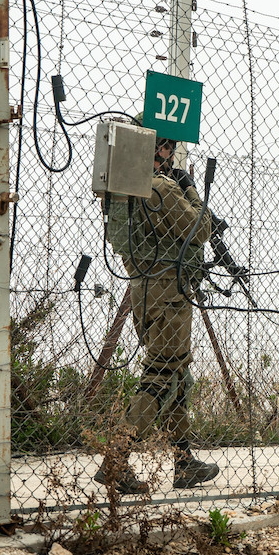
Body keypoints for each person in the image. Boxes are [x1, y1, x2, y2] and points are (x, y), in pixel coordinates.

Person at [97, 134, 220, 494]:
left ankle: (183, 462)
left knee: (176, 376)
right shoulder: (161, 188)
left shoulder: (123, 190)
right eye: (164, 147)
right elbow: (202, 229)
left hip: (147, 290)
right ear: (149, 150)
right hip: (168, 293)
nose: (168, 155)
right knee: (161, 376)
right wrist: (192, 188)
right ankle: (115, 462)